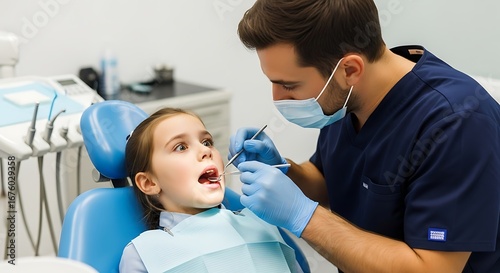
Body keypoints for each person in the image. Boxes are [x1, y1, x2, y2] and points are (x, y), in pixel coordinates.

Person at [229, 0, 500, 272]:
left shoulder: (455, 123)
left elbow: (432, 268)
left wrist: (304, 217)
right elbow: (328, 180)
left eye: (289, 85)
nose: (277, 99)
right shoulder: (344, 99)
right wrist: (285, 171)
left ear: (349, 70)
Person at [118, 107, 302, 273]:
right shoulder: (145, 253)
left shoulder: (262, 223)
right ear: (149, 183)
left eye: (206, 142)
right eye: (180, 147)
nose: (205, 151)